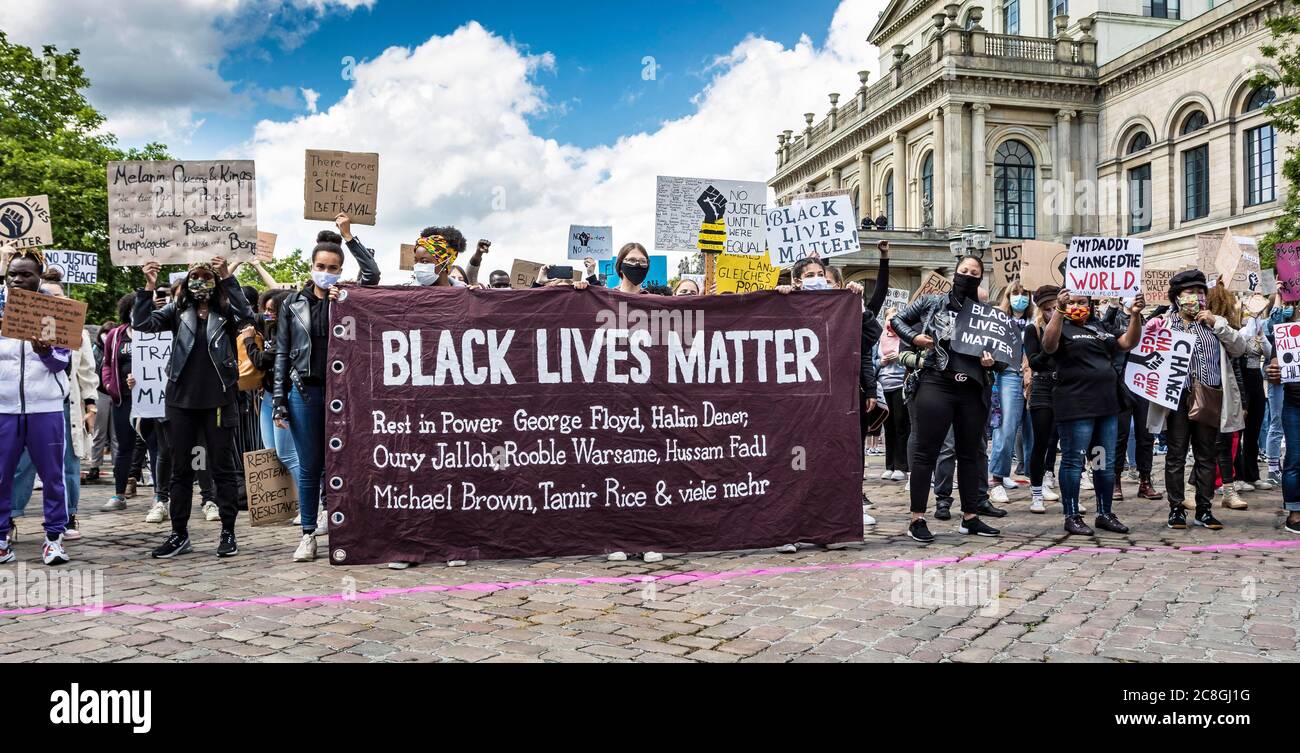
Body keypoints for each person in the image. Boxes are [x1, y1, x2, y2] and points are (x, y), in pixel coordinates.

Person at [274, 215, 381, 564]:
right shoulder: (292, 304)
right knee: (309, 466)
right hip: (306, 393)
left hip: (344, 395)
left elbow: (373, 274)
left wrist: (348, 235)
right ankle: (308, 534)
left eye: (333, 267)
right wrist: (278, 400)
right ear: (311, 265)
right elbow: (281, 352)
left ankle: (341, 526)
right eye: (321, 266)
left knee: (343, 464)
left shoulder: (346, 298)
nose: (327, 271)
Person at [134, 256, 253, 558]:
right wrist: (148, 287)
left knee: (222, 469)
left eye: (207, 276)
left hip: (218, 399)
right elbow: (142, 324)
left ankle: (228, 532)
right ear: (187, 282)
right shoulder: (177, 310)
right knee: (180, 470)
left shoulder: (225, 312)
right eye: (194, 276)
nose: (201, 281)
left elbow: (249, 318)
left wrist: (228, 278)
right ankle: (179, 534)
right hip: (181, 400)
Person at [891, 256, 1002, 543]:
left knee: (969, 455)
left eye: (973, 273)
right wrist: (915, 338)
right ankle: (917, 518)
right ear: (955, 274)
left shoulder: (985, 313)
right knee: (926, 452)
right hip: (936, 383)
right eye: (963, 271)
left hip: (972, 389)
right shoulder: (931, 302)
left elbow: (1004, 355)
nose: (967, 276)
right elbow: (897, 320)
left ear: (980, 278)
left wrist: (992, 362)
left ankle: (970, 517)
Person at [1146, 271, 1247, 530]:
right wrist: (1150, 330)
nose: (1195, 297)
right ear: (1177, 297)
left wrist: (1217, 323)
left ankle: (1204, 508)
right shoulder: (1164, 323)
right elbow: (1145, 354)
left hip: (1210, 395)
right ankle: (1176, 508)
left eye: (1200, 292)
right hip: (1177, 398)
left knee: (1206, 455)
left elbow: (1239, 349)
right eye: (1189, 293)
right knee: (1176, 455)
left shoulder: (1216, 322)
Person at [1042, 289, 1144, 535]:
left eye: (1083, 302)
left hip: (1106, 407)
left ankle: (1104, 512)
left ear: (1091, 303)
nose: (1078, 306)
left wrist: (1135, 316)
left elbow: (1127, 343)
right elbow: (1048, 345)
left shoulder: (1101, 328)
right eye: (1074, 302)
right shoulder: (1062, 326)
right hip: (1076, 407)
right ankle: (1072, 514)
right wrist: (1059, 310)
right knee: (1074, 461)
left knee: (1102, 463)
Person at [9, 279, 98, 541]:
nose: (54, 301)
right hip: (33, 404)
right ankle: (11, 514)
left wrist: (91, 405)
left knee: (67, 463)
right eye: (48, 296)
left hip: (67, 405)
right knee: (22, 464)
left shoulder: (78, 333)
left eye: (58, 297)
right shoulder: (23, 325)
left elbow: (87, 372)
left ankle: (68, 516)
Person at [0, 248, 72, 565]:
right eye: (12, 273)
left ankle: (54, 539)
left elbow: (61, 364)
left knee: (52, 476)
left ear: (39, 276)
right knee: (1, 476)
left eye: (25, 274)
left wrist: (44, 352)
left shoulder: (57, 312)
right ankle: (2, 539)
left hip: (46, 407)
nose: (17, 279)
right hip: (4, 408)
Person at [1099, 297, 1162, 501]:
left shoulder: (1146, 320)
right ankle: (1115, 480)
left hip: (1143, 383)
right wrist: (1112, 307)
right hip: (1120, 382)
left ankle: (1145, 480)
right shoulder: (1113, 319)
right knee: (1120, 434)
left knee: (1146, 435)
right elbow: (1105, 328)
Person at [989, 283, 1034, 503]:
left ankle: (1037, 479)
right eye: (1016, 293)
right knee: (1006, 428)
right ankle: (997, 479)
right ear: (1008, 296)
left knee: (1033, 429)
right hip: (1008, 374)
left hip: (1032, 376)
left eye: (1024, 294)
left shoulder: (1035, 322)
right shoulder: (1000, 319)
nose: (1020, 297)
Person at [1022, 285, 1061, 513]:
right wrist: (1049, 340)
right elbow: (1035, 361)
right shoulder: (1032, 330)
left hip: (1066, 388)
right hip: (1042, 387)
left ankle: (1068, 494)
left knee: (1067, 444)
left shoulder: (1069, 328)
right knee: (1041, 442)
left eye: (1056, 308)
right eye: (1048, 310)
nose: (1052, 313)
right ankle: (1036, 493)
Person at [1265, 355, 1300, 534]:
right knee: (1295, 457)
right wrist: (1273, 373)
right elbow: (1274, 367)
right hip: (1295, 404)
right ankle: (1295, 513)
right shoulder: (1287, 332)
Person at [878, 308, 909, 481]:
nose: (891, 323)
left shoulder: (904, 337)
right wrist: (881, 362)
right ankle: (889, 465)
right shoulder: (880, 338)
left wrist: (900, 358)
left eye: (894, 319)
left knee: (901, 426)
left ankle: (901, 465)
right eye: (889, 319)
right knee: (888, 428)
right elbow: (873, 361)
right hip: (884, 386)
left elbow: (910, 359)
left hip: (899, 385)